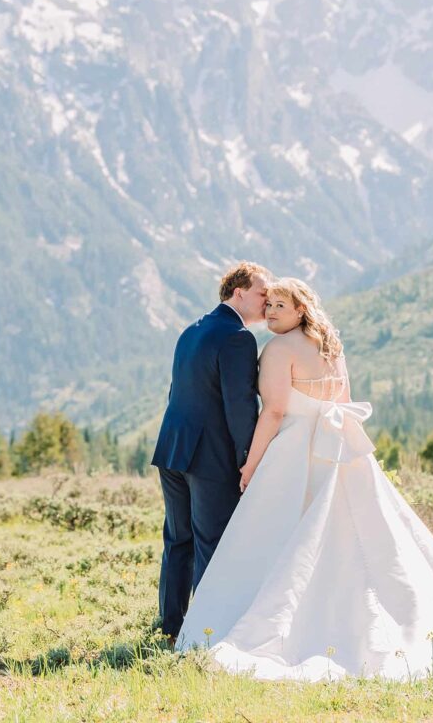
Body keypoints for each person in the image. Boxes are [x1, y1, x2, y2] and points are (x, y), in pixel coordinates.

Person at [176, 277, 433, 681]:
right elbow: (343, 400)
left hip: (296, 452)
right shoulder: (331, 345)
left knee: (281, 538)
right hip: (338, 448)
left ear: (301, 310)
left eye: (280, 305)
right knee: (358, 536)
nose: (270, 312)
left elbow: (275, 412)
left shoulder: (279, 349)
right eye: (270, 304)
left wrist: (251, 464)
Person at [151, 261, 271, 641]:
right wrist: (248, 461)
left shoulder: (191, 330)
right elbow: (240, 407)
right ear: (239, 293)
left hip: (173, 449)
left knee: (178, 540)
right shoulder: (238, 337)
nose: (267, 300)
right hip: (209, 457)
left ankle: (171, 627)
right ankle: (206, 632)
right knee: (212, 543)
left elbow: (177, 391)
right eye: (261, 293)